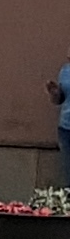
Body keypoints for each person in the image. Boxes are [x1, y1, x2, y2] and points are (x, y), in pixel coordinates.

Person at [48, 55, 70, 192]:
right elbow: (59, 100)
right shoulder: (65, 71)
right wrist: (55, 93)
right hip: (65, 128)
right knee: (68, 169)